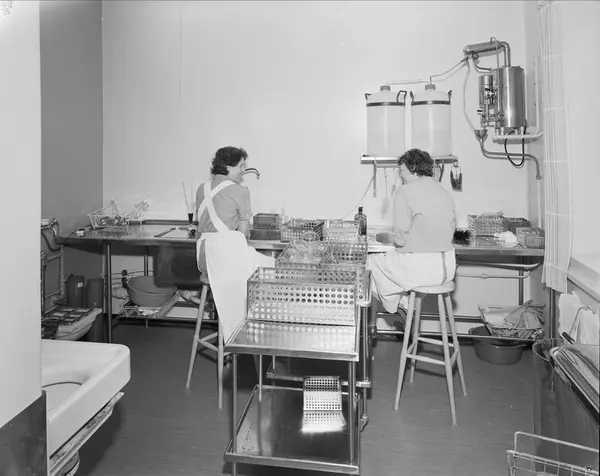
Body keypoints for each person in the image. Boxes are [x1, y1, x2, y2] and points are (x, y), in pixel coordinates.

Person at [195, 146, 274, 343]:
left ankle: (240, 328)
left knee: (255, 268)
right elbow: (244, 233)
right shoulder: (240, 191)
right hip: (225, 259)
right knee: (269, 271)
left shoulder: (201, 188)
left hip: (204, 259)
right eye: (241, 166)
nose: (243, 171)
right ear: (228, 167)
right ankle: (250, 333)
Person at [367, 148, 456, 318]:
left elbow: (400, 240)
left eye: (401, 170)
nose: (400, 175)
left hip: (422, 269)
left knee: (368, 264)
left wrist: (384, 237)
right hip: (447, 268)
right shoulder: (442, 190)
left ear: (413, 168)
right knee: (393, 267)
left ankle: (400, 306)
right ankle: (407, 305)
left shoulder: (405, 191)